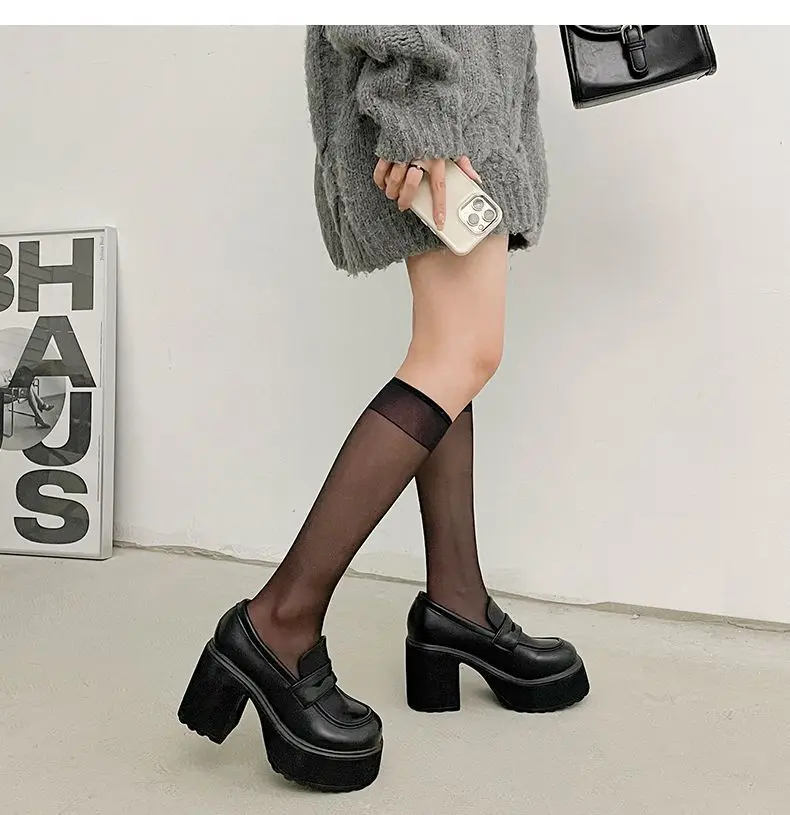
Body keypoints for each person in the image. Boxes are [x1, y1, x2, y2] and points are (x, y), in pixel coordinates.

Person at [179, 25, 589, 792]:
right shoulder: (425, 115)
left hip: (462, 105)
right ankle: (278, 621)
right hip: (436, 110)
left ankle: (456, 604)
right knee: (460, 352)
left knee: (450, 348)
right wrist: (417, 118)